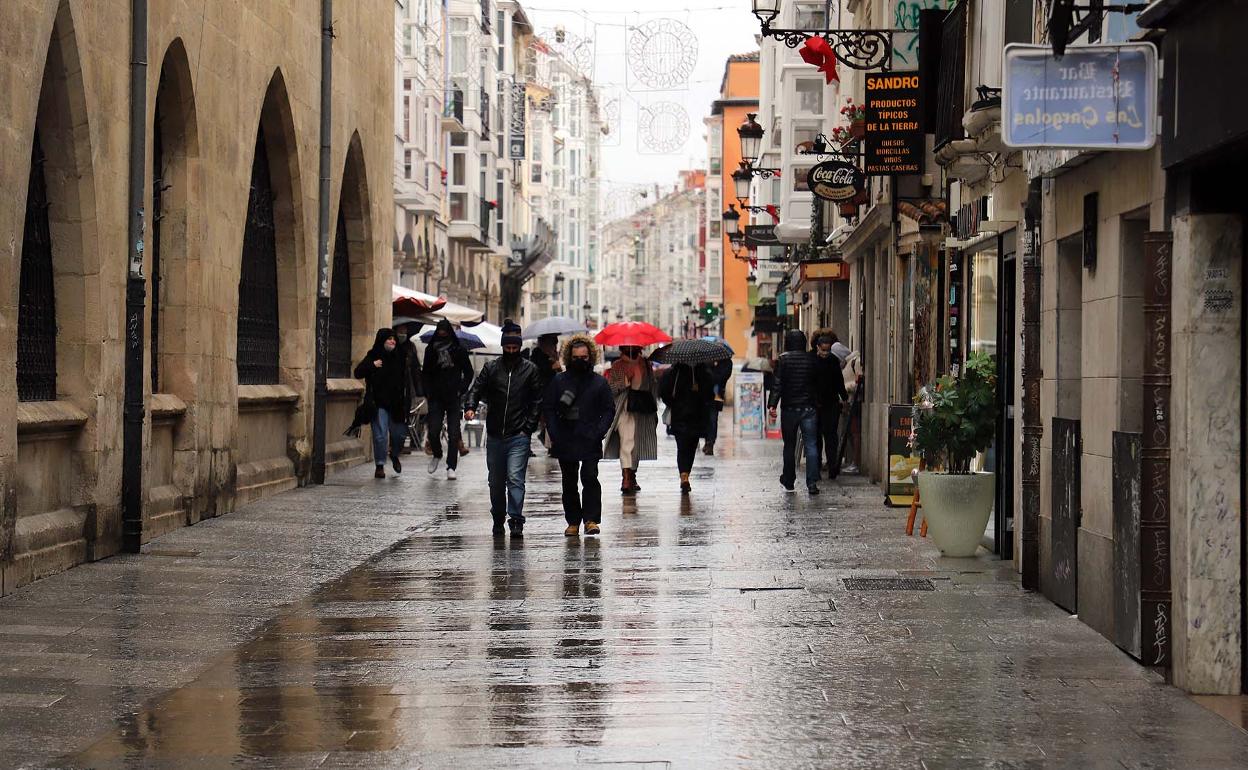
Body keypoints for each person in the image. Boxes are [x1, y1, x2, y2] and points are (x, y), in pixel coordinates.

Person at [464, 328, 543, 536]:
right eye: (507, 347)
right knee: (496, 481)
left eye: (514, 347)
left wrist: (528, 428)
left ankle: (516, 519)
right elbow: (476, 388)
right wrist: (470, 406)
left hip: (519, 435)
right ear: (502, 347)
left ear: (519, 347)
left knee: (515, 478)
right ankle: (498, 516)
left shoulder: (530, 370)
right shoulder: (491, 368)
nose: (510, 350)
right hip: (495, 435)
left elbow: (537, 400)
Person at [543, 335, 616, 537]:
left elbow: (609, 409)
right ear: (569, 357)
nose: (580, 361)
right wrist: (555, 433)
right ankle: (573, 521)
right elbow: (548, 408)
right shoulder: (559, 381)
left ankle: (591, 519)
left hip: (590, 437)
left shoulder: (599, 383)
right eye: (576, 357)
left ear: (590, 357)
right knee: (569, 480)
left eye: (584, 357)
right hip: (565, 438)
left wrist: (599, 431)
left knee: (590, 477)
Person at [353, 328, 412, 479]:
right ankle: (380, 465)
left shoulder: (401, 357)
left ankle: (394, 454)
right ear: (382, 340)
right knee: (380, 436)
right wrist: (372, 365)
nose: (393, 341)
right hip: (378, 403)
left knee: (399, 436)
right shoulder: (373, 355)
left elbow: (408, 379)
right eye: (389, 339)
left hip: (397, 404)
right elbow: (358, 372)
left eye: (394, 339)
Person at [768, 329, 821, 495]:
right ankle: (812, 483)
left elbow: (777, 385)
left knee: (789, 445)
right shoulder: (812, 359)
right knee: (811, 445)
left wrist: (772, 405)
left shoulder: (783, 360)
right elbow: (816, 383)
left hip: (789, 408)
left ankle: (789, 481)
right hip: (809, 408)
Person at [603, 345, 659, 495]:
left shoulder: (645, 364)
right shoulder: (618, 365)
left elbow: (652, 386)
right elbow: (611, 389)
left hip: (642, 410)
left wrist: (654, 410)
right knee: (627, 442)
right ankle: (626, 478)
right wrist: (626, 380)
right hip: (624, 409)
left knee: (637, 444)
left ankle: (632, 475)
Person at [422, 319, 473, 479]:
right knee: (434, 430)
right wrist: (427, 391)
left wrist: (461, 389)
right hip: (436, 396)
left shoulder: (458, 349)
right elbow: (426, 373)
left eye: (445, 332)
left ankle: (451, 466)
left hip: (453, 396)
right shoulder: (430, 350)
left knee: (453, 432)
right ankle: (437, 454)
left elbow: (469, 372)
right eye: (440, 332)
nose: (442, 335)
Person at [659, 362, 715, 494]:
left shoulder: (673, 372)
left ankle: (684, 475)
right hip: (697, 416)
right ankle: (686, 474)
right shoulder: (703, 372)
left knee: (682, 447)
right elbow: (709, 394)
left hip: (680, 415)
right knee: (691, 447)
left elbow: (663, 392)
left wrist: (673, 403)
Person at [812, 329, 848, 479]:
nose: (825, 352)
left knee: (831, 437)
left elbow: (839, 382)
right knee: (816, 436)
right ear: (818, 347)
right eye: (823, 349)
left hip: (831, 404)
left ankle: (832, 466)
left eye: (828, 350)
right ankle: (818, 465)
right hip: (815, 404)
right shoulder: (812, 360)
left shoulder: (833, 361)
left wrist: (844, 397)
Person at [529, 332, 561, 453]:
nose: (554, 347)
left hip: (551, 390)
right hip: (540, 390)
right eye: (553, 344)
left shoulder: (553, 354)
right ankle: (531, 444)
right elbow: (537, 370)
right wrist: (551, 365)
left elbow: (557, 371)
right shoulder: (537, 353)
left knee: (549, 418)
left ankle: (550, 443)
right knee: (538, 417)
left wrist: (556, 364)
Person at [836, 342, 864, 474]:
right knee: (851, 434)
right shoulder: (847, 364)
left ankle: (856, 463)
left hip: (855, 402)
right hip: (849, 403)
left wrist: (847, 387)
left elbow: (860, 382)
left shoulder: (855, 362)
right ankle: (853, 461)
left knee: (855, 433)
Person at [703, 354, 733, 455]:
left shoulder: (726, 363)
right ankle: (706, 440)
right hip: (704, 395)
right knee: (704, 419)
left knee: (712, 419)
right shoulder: (705, 360)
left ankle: (710, 442)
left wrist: (713, 369)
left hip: (716, 396)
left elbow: (722, 377)